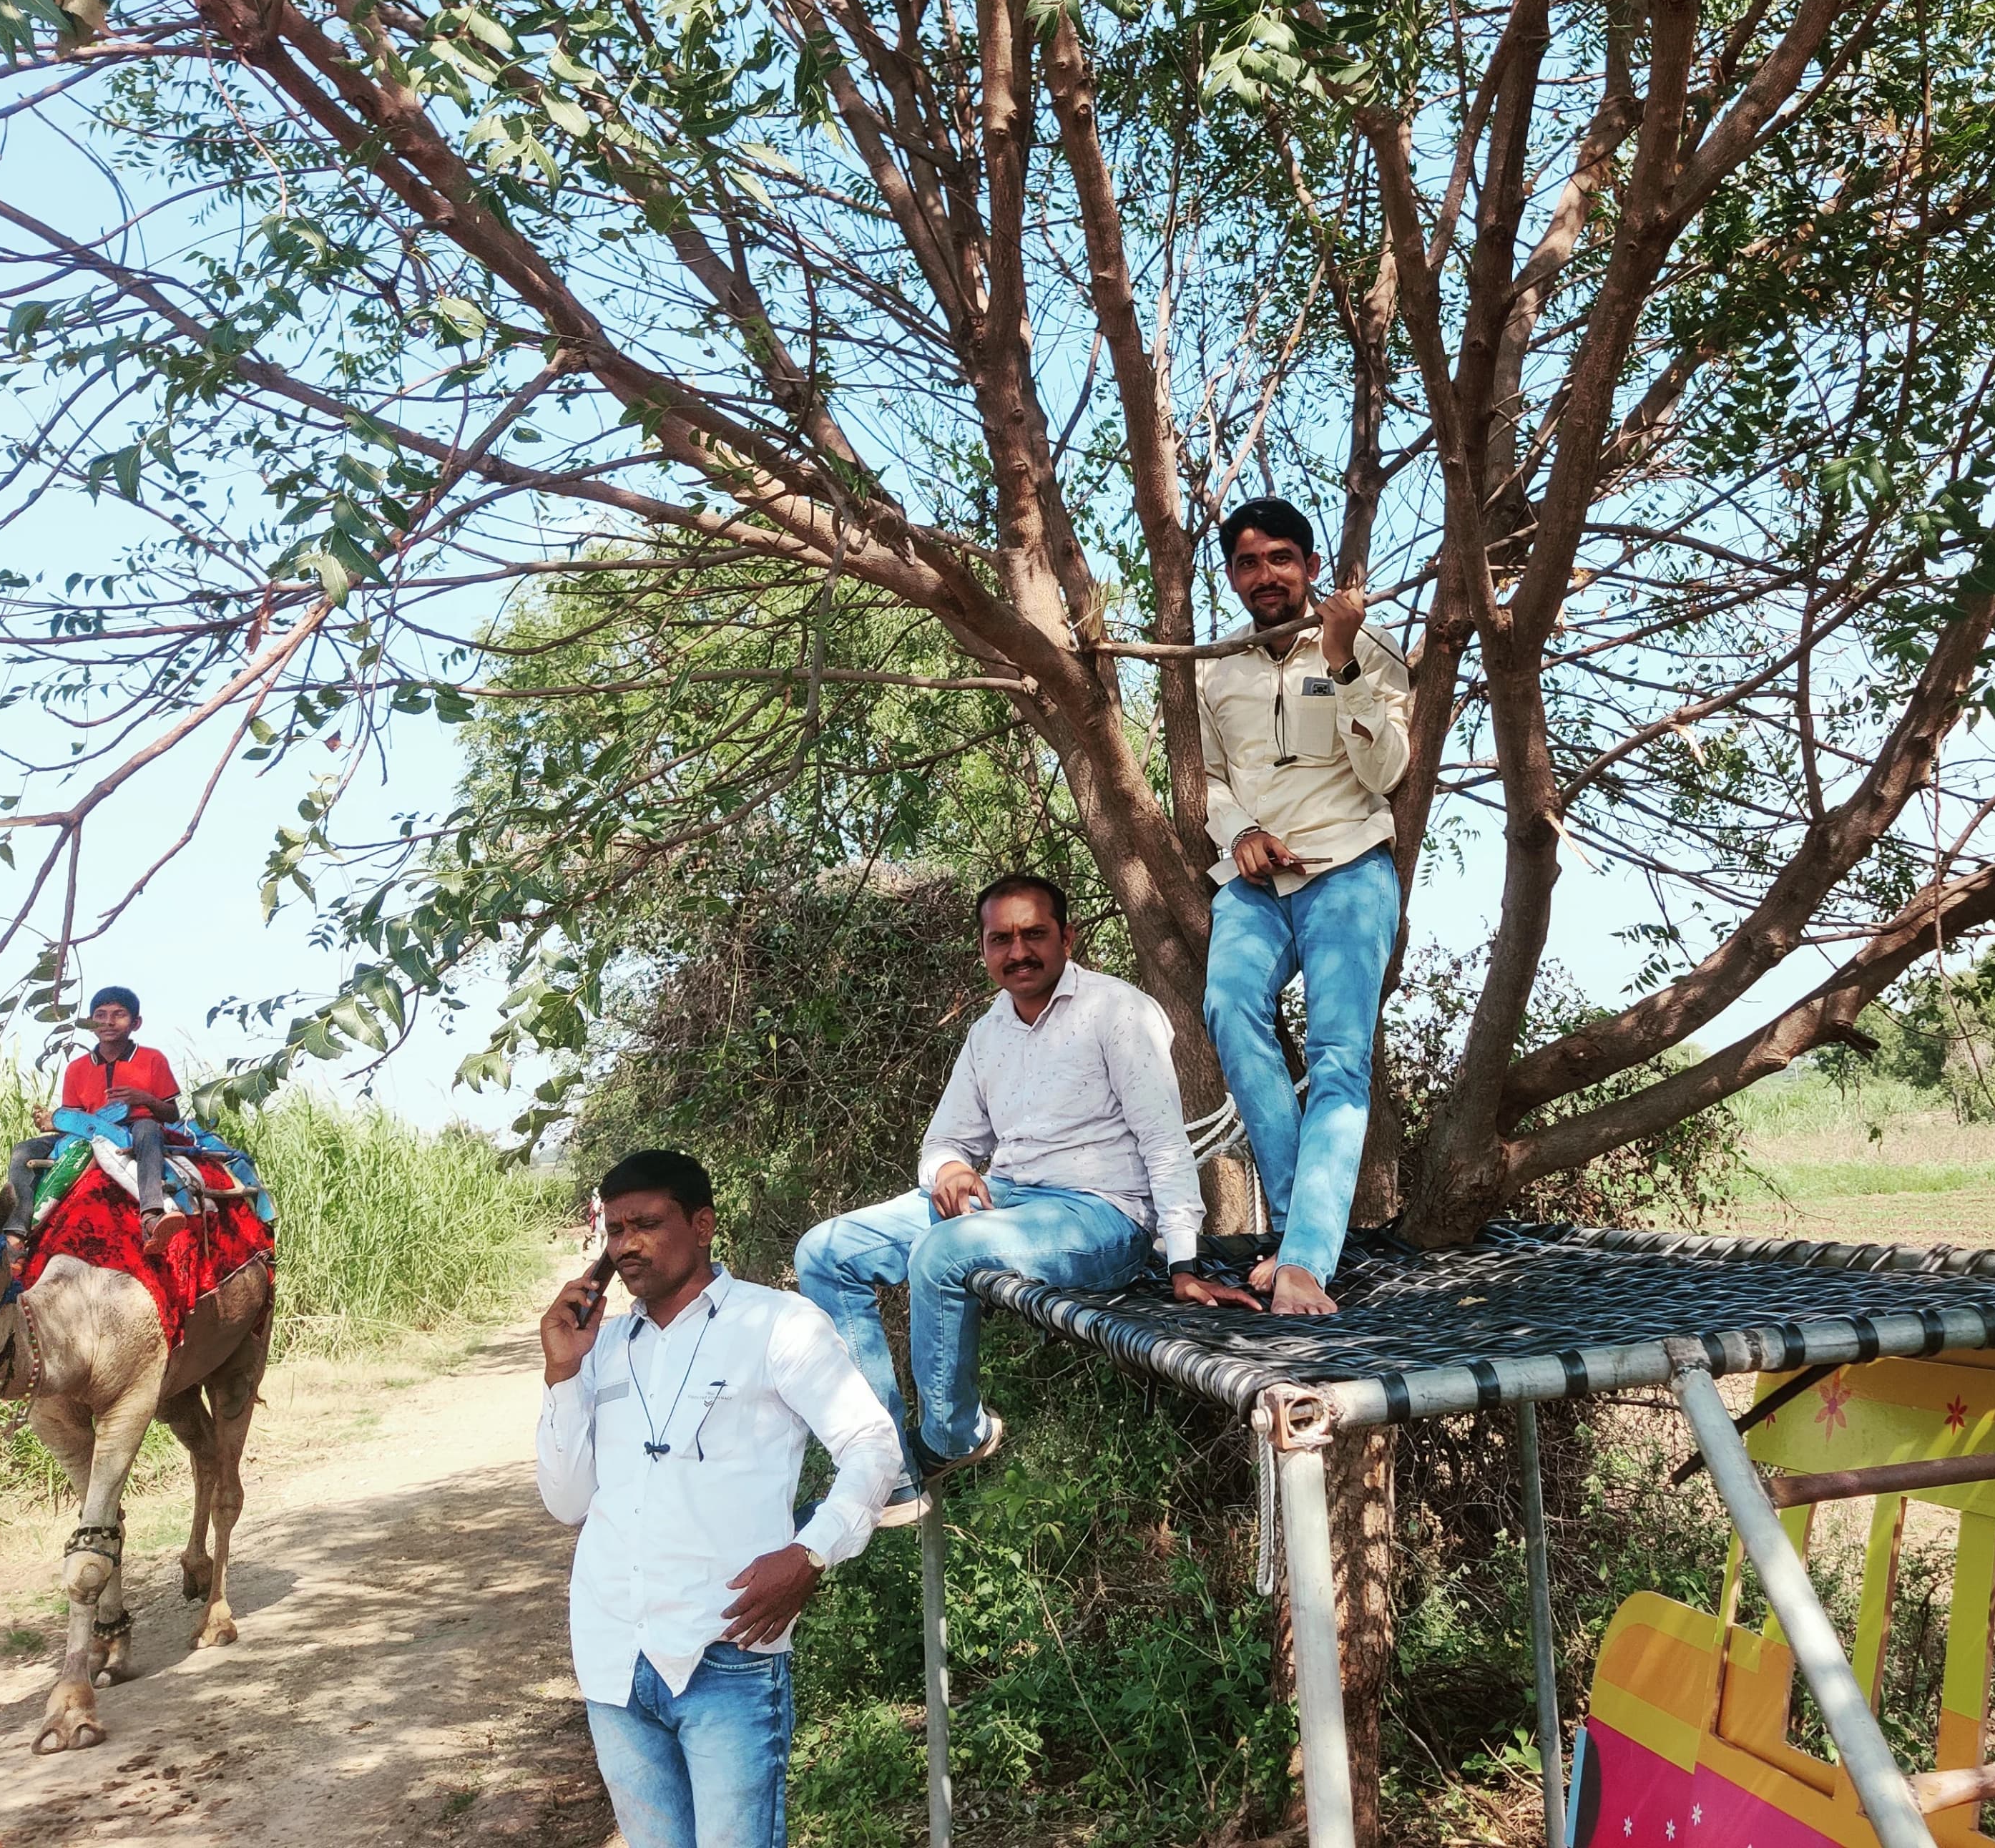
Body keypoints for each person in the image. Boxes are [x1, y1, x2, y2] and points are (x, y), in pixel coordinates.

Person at [795, 875, 1260, 1522]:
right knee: (825, 1251)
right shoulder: (989, 1031)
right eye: (1001, 939)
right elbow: (945, 1140)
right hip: (1012, 1200)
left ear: (1067, 937)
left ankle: (954, 1436)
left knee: (944, 1248)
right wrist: (952, 1169)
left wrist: (1183, 1261)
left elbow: (1164, 1142)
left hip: (1103, 1215)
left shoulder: (1117, 1011)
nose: (1018, 951)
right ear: (985, 951)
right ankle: (889, 1472)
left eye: (1034, 934)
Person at [538, 1147, 902, 1848]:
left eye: (646, 1223)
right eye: (615, 1230)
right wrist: (560, 1372)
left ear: (702, 1225)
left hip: (726, 1652)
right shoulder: (602, 1348)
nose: (627, 1245)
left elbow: (871, 1444)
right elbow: (565, 1499)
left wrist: (810, 1553)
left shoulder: (777, 1326)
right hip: (613, 1655)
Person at [1196, 498, 1409, 1316]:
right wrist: (1240, 829)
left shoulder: (1370, 649)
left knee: (1338, 1059)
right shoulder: (1214, 667)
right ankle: (1297, 1237)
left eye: (1281, 559)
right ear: (1233, 577)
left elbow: (1387, 771)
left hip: (1349, 871)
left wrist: (1343, 659)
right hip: (1253, 883)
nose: (1266, 577)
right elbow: (1207, 777)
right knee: (1228, 1007)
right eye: (1248, 564)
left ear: (1311, 567)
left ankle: (1304, 1260)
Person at [5, 986, 179, 1251]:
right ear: (90, 1023)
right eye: (100, 1015)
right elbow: (72, 1119)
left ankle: (151, 1215)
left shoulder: (152, 1059)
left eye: (119, 1015)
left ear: (136, 1023)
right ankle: (16, 1230)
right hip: (85, 1132)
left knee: (148, 1128)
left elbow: (172, 1113)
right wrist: (53, 1121)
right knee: (24, 1150)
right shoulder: (77, 1068)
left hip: (134, 1128)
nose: (109, 1022)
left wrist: (143, 1098)